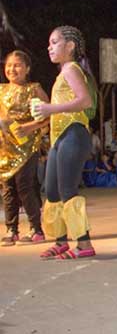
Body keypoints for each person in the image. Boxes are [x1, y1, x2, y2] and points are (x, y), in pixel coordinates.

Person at [33, 26, 98, 259]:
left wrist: (51, 108)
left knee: (67, 189)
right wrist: (39, 120)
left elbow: (84, 101)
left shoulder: (71, 69)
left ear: (69, 46)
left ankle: (84, 244)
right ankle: (60, 241)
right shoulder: (63, 72)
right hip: (60, 137)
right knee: (51, 190)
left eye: (54, 42)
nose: (49, 47)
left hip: (74, 133)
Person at [0, 51, 50, 246]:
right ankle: (11, 230)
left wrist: (30, 127)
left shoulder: (34, 89)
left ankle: (36, 230)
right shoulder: (1, 90)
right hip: (5, 149)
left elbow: (48, 116)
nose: (12, 69)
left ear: (27, 69)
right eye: (9, 65)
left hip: (27, 147)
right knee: (7, 188)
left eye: (18, 65)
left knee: (25, 186)